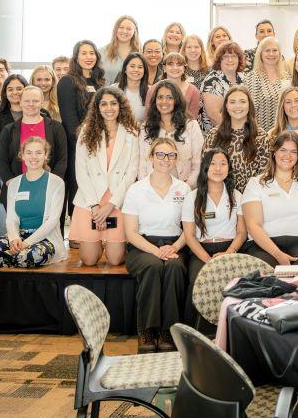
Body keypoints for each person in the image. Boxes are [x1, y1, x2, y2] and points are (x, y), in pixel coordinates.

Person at [121, 137, 190, 353]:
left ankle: (169, 331)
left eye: (170, 155)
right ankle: (147, 331)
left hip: (174, 244)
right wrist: (156, 251)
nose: (165, 159)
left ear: (176, 159)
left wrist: (174, 248)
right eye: (160, 154)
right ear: (151, 158)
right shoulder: (136, 189)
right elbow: (130, 233)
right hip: (143, 245)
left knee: (175, 268)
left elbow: (189, 230)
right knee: (152, 266)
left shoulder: (184, 189)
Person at [69, 86, 142, 267]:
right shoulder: (87, 131)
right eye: (104, 104)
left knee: (116, 260)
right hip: (90, 200)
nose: (109, 108)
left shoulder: (132, 133)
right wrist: (95, 207)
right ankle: (97, 242)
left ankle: (110, 243)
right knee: (88, 260)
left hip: (117, 200)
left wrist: (110, 206)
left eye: (113, 103)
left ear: (120, 106)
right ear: (97, 108)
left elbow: (131, 173)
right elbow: (81, 170)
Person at [242, 131, 298, 265]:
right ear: (274, 152)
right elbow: (253, 225)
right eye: (283, 150)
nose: (287, 156)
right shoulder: (256, 183)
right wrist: (278, 255)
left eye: (293, 152)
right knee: (268, 279)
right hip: (263, 244)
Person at [0, 136, 65, 271]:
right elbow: (11, 218)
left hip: (46, 238)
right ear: (22, 155)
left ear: (45, 155)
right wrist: (14, 239)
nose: (33, 157)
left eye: (38, 152)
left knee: (28, 256)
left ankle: (20, 291)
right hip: (19, 236)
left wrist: (26, 243)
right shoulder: (14, 184)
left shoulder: (56, 183)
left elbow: (52, 221)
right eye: (29, 153)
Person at [182, 149, 247, 298]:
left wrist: (229, 253)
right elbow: (189, 235)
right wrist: (208, 260)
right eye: (213, 164)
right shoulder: (192, 197)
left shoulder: (237, 196)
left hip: (230, 249)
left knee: (235, 284)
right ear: (205, 167)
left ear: (228, 168)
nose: (218, 168)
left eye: (223, 164)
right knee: (198, 281)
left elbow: (242, 232)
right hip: (201, 251)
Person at [57, 41, 106, 207]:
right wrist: (87, 143)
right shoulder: (67, 82)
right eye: (84, 53)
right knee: (79, 190)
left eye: (92, 53)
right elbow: (70, 121)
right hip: (78, 146)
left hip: (100, 144)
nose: (88, 57)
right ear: (76, 57)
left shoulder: (99, 82)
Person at [0, 86, 68, 191]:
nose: (31, 104)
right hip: (17, 188)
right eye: (26, 101)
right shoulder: (8, 130)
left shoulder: (56, 127)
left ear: (42, 102)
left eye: (35, 100)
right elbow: (2, 161)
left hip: (49, 188)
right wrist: (12, 183)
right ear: (20, 102)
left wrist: (51, 183)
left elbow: (62, 159)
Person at [202, 85, 269, 193]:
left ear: (249, 105)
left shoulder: (260, 136)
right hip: (219, 197)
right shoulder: (214, 135)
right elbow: (205, 170)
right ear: (226, 107)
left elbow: (264, 174)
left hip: (251, 198)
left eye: (242, 101)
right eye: (232, 102)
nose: (237, 106)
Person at [139, 80, 203, 186]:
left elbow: (198, 163)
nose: (164, 101)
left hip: (185, 189)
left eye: (169, 97)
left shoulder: (191, 126)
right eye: (160, 97)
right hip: (152, 189)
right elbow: (142, 164)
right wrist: (148, 189)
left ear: (176, 100)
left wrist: (186, 188)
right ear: (154, 101)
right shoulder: (145, 128)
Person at [0, 73, 28, 231]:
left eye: (19, 88)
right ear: (5, 93)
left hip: (31, 178)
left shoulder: (40, 116)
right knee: (4, 229)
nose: (15, 92)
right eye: (10, 89)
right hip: (4, 180)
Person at [198, 40, 245, 131]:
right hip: (219, 134)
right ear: (219, 60)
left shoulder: (242, 77)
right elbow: (213, 115)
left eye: (233, 56)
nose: (230, 60)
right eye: (226, 56)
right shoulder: (213, 80)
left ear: (239, 59)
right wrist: (234, 134)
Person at [243, 36, 287, 132]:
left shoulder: (286, 77)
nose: (271, 54)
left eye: (275, 50)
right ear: (260, 54)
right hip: (260, 134)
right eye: (267, 50)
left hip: (284, 133)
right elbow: (251, 111)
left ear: (279, 53)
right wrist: (259, 136)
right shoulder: (253, 77)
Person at [146, 53, 201, 120]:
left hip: (186, 129)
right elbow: (149, 117)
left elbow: (193, 118)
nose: (175, 68)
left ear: (184, 68)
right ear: (164, 68)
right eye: (170, 64)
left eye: (179, 64)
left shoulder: (193, 91)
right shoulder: (153, 89)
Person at [100, 14, 140, 82]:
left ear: (134, 32)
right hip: (106, 92)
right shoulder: (101, 53)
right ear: (115, 29)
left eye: (129, 29)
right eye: (121, 27)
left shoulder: (141, 53)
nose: (124, 31)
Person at [114, 51, 149, 122]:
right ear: (125, 70)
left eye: (140, 67)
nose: (136, 70)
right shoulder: (114, 89)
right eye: (132, 66)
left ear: (144, 71)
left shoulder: (151, 91)